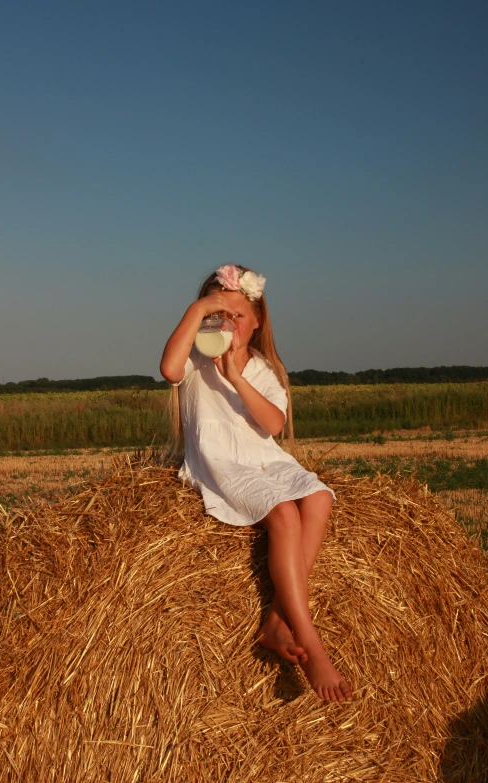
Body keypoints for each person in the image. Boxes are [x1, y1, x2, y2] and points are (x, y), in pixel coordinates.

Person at [160, 264, 352, 703]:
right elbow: (168, 369)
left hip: (263, 458)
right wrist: (198, 309)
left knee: (319, 496)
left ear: (259, 321)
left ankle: (276, 620)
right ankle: (312, 644)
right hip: (222, 463)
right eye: (217, 316)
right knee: (285, 514)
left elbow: (273, 423)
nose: (227, 325)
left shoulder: (261, 368)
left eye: (237, 316)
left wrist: (237, 378)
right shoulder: (193, 360)